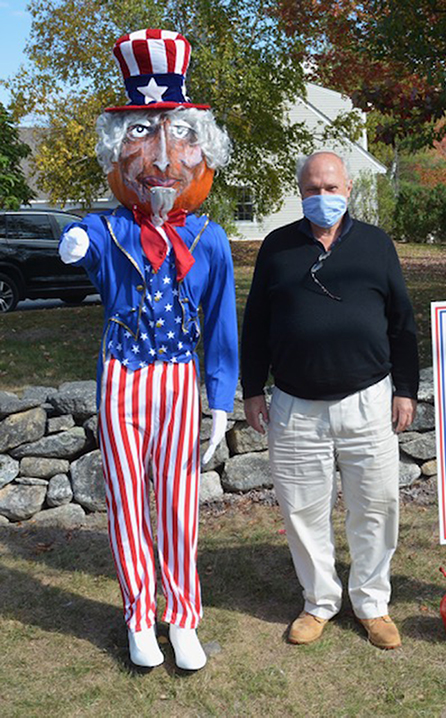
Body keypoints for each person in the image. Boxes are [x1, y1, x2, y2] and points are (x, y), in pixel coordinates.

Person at [58, 29, 238, 670]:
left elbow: (220, 325)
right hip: (123, 377)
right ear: (119, 146)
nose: (162, 158)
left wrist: (221, 399)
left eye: (178, 137)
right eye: (143, 134)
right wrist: (75, 237)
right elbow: (85, 230)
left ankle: (181, 615)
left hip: (180, 377)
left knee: (181, 504)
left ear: (199, 146)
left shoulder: (209, 238)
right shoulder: (109, 230)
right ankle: (139, 613)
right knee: (129, 499)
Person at [240, 150, 419, 650]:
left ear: (349, 189)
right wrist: (252, 387)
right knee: (302, 511)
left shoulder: (377, 245)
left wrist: (406, 388)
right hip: (296, 405)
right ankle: (319, 602)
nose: (324, 197)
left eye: (332, 188)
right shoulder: (276, 247)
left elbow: (402, 322)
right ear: (301, 193)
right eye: (314, 189)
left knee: (377, 507)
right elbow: (255, 324)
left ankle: (371, 603)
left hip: (369, 400)